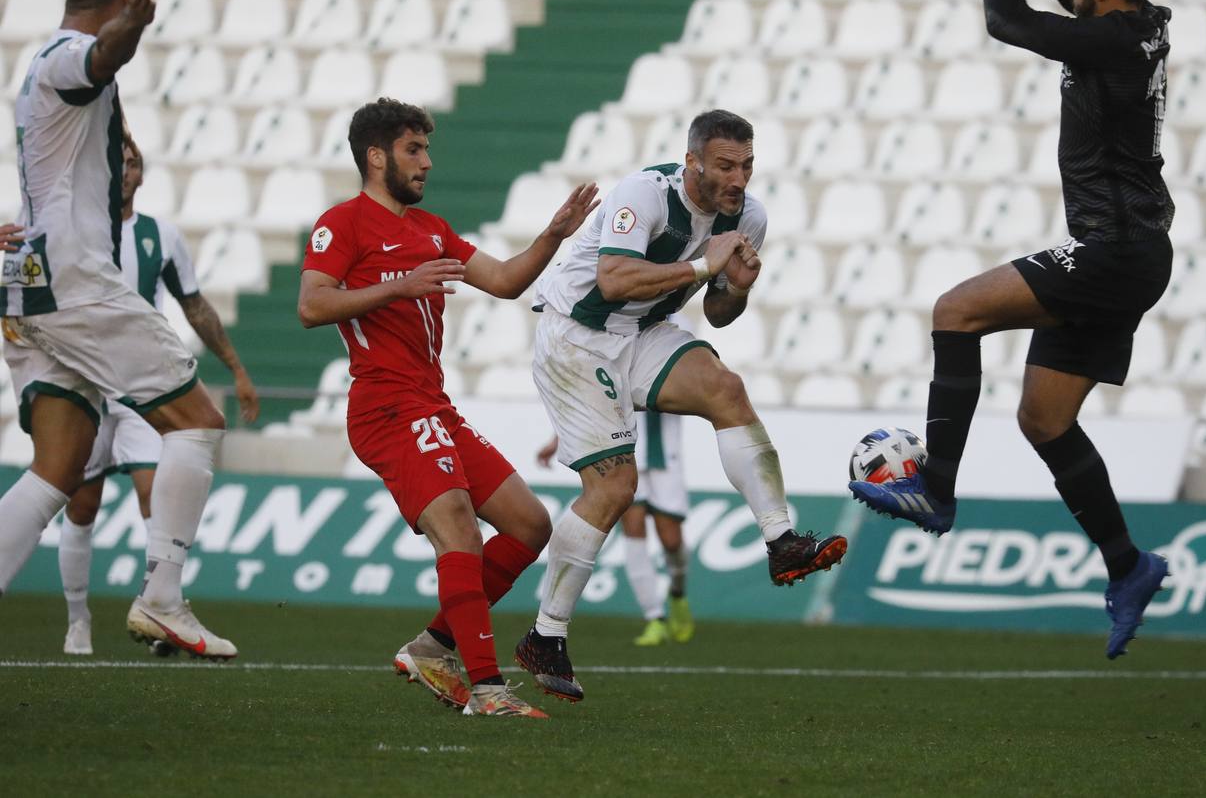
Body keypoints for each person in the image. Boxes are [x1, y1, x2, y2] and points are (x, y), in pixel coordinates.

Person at [849, 0, 1173, 660]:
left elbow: (1008, 20)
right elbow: (1073, 1)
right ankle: (1127, 567)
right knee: (1042, 419)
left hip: (1111, 250)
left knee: (954, 311)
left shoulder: (1106, 42)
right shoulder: (1141, 25)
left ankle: (936, 485)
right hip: (1132, 251)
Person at [515, 109, 848, 703]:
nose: (738, 178)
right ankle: (546, 634)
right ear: (692, 160)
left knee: (728, 389)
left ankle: (782, 541)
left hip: (642, 332)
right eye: (725, 165)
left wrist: (738, 286)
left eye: (746, 165)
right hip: (576, 334)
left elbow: (718, 311)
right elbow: (613, 280)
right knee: (615, 491)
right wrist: (703, 265)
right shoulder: (645, 193)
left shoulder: (749, 216)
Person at [298, 98, 598, 719]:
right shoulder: (344, 223)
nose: (427, 162)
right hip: (384, 407)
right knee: (459, 525)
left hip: (432, 405)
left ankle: (432, 646)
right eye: (414, 150)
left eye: (426, 149)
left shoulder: (432, 229)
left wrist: (553, 235)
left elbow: (508, 280)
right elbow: (312, 305)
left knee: (528, 526)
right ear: (376, 156)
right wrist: (396, 288)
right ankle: (488, 690)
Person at [0, 0, 236, 660]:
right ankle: (163, 599)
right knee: (196, 420)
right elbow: (101, 58)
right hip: (76, 284)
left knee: (58, 467)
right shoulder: (70, 58)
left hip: (32, 289)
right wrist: (131, 22)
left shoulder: (34, 67)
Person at [59, 137, 262, 655]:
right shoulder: (75, 231)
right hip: (82, 387)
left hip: (138, 394)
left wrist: (236, 368)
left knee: (157, 495)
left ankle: (159, 605)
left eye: (132, 163)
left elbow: (195, 307)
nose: (124, 170)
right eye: (116, 162)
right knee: (82, 508)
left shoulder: (159, 236)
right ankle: (78, 620)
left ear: (142, 176)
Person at [536, 403, 695, 647]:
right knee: (633, 531)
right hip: (626, 457)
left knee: (672, 541)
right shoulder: (616, 363)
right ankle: (655, 617)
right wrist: (557, 439)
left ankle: (677, 593)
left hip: (667, 458)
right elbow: (592, 396)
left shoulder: (667, 363)